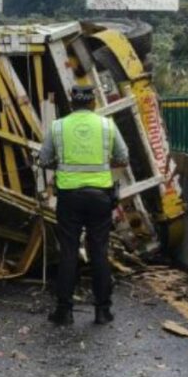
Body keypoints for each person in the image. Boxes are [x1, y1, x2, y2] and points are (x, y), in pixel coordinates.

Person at [37, 84, 129, 326]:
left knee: (68, 251)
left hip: (69, 197)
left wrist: (65, 165)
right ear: (93, 102)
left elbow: (44, 159)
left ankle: (64, 312)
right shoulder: (107, 125)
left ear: (71, 101)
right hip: (100, 197)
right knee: (99, 251)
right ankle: (102, 311)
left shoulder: (58, 127)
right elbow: (123, 157)